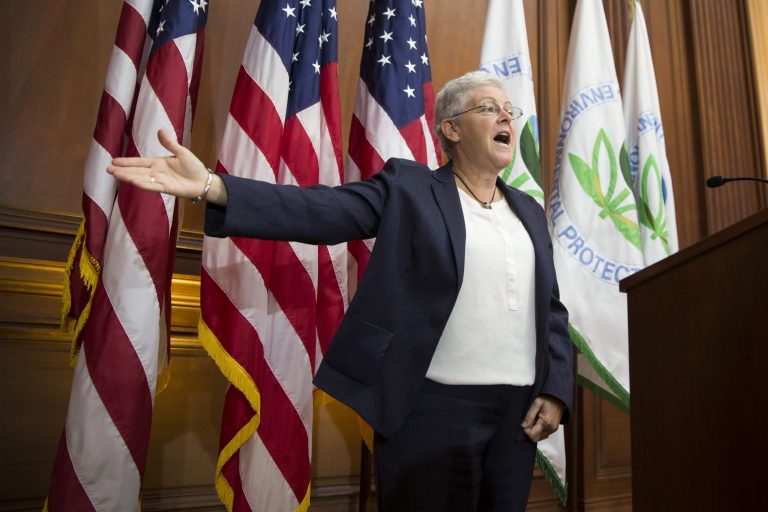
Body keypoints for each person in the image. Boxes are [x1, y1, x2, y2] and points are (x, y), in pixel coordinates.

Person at [108, 71, 573, 512]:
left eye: (509, 111)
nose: (506, 119)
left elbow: (550, 310)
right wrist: (213, 187)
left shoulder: (529, 212)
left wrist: (554, 391)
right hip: (431, 412)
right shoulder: (410, 189)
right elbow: (324, 210)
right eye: (489, 108)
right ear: (451, 128)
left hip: (517, 418)